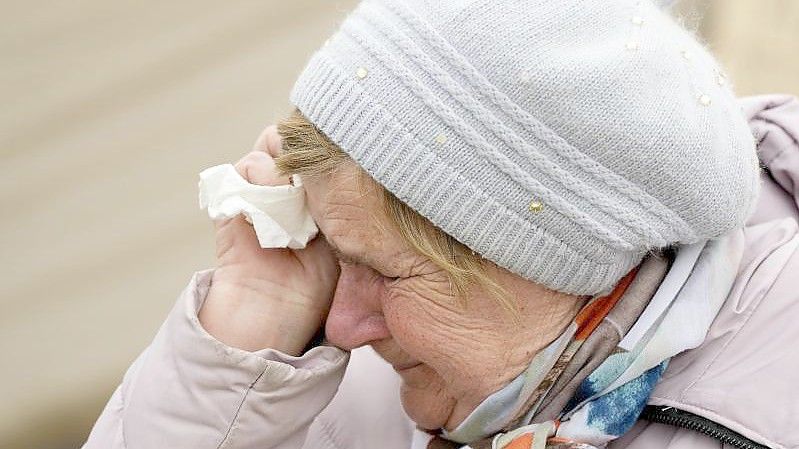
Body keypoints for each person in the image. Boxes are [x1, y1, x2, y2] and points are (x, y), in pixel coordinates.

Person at [83, 0, 799, 448]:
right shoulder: (355, 388)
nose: (340, 326)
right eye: (340, 252)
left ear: (555, 263)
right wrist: (249, 323)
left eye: (388, 271)